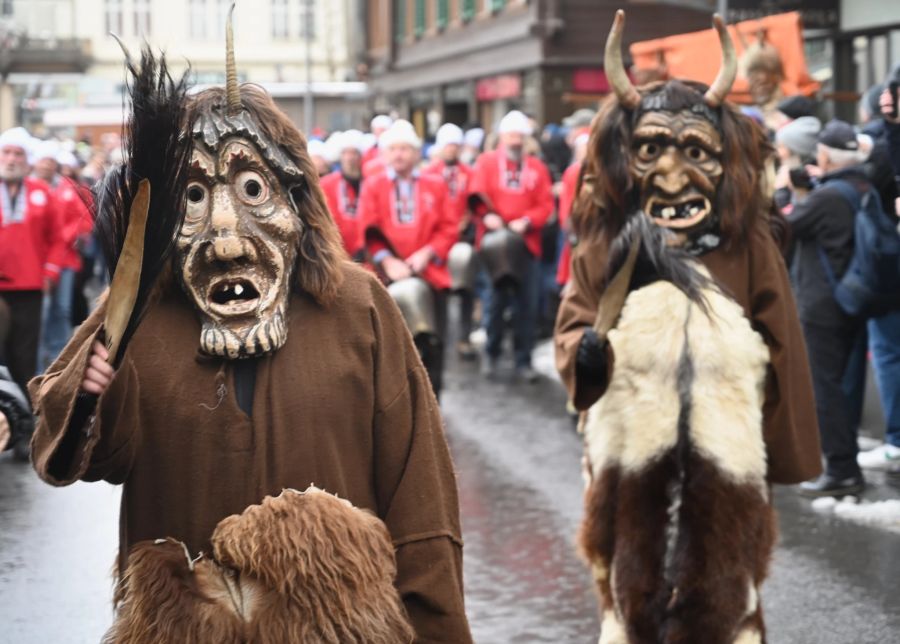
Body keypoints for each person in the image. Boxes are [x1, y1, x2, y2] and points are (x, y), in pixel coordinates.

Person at [29, 38, 471, 641]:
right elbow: (76, 446)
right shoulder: (141, 312)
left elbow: (421, 496)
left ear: (296, 200)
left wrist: (436, 627)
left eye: (253, 190)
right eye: (193, 197)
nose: (227, 238)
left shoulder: (359, 307)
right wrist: (91, 388)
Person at [556, 13, 820, 640]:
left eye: (694, 151)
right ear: (627, 156)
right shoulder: (605, 240)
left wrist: (780, 443)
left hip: (724, 452)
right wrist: (586, 360)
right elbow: (574, 320)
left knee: (725, 593)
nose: (673, 175)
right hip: (628, 449)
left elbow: (781, 339)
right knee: (630, 588)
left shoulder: (747, 242)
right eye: (652, 151)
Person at [784, 120, 873, 495]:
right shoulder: (864, 186)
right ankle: (845, 461)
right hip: (854, 296)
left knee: (826, 387)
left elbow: (783, 228)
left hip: (823, 305)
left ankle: (840, 469)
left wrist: (787, 192)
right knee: (845, 386)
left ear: (824, 155)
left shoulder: (825, 198)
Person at [358, 120, 457, 397]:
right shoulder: (374, 186)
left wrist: (428, 253)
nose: (399, 154)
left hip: (430, 274)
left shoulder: (435, 185)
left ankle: (433, 406)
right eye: (393, 149)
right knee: (391, 347)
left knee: (432, 343)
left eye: (404, 149)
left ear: (416, 153)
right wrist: (388, 261)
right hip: (388, 276)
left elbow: (449, 226)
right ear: (384, 154)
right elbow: (367, 228)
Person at [470, 110, 554, 382]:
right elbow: (475, 194)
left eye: (519, 136)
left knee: (526, 305)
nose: (515, 140)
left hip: (526, 246)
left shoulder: (537, 168)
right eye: (510, 135)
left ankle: (523, 359)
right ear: (502, 137)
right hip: (495, 245)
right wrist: (487, 215)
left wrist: (528, 220)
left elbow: (546, 204)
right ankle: (491, 354)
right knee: (495, 302)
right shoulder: (486, 163)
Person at [0, 127, 63, 394]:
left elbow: (58, 238)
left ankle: (24, 413)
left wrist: (50, 272)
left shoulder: (42, 192)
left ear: (27, 161)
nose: (12, 159)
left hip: (29, 286)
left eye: (18, 154)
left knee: (24, 353)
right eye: (7, 153)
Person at [32, 140, 93, 369]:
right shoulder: (28, 189)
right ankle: (39, 358)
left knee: (62, 308)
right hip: (38, 262)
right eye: (42, 161)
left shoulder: (66, 188)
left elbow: (85, 219)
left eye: (50, 161)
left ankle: (60, 358)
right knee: (41, 312)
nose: (46, 165)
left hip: (66, 260)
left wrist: (66, 236)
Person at [423, 123, 478, 358]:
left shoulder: (469, 173)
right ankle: (438, 334)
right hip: (438, 239)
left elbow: (476, 202)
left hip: (462, 237)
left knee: (465, 288)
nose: (451, 150)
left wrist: (468, 218)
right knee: (439, 290)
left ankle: (464, 337)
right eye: (448, 146)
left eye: (455, 146)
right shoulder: (428, 174)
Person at [320, 129, 365, 259]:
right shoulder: (326, 184)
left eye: (354, 153)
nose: (350, 157)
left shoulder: (370, 184)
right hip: (337, 251)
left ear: (360, 156)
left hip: (366, 253)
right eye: (346, 153)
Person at [363, 114, 392, 178]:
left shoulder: (396, 149)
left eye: (382, 130)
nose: (380, 134)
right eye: (377, 130)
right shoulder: (369, 151)